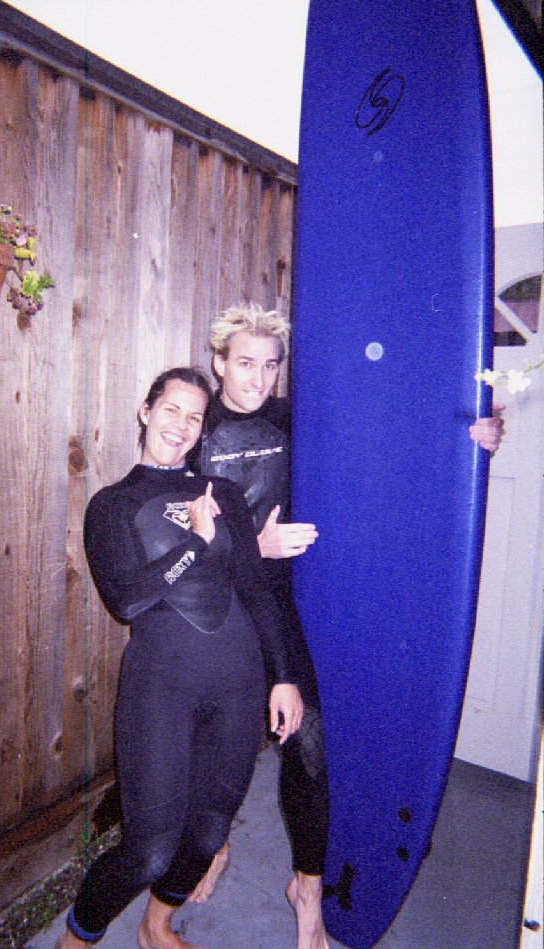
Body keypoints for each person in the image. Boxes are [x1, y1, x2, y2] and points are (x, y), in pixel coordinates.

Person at [187, 303, 506, 949]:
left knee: (306, 739)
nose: (258, 379)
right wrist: (254, 546)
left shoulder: (289, 419)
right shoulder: (197, 430)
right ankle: (214, 845)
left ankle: (307, 886)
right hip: (218, 600)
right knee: (218, 736)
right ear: (219, 363)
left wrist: (470, 432)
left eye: (270, 365)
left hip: (283, 601)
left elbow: (383, 430)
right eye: (244, 363)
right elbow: (175, 537)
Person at [56, 367, 303, 949]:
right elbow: (126, 599)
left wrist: (284, 677)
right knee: (149, 848)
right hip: (161, 687)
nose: (182, 425)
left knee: (210, 830)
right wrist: (195, 540)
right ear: (146, 412)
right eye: (171, 410)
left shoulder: (225, 495)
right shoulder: (112, 505)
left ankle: (157, 925)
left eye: (194, 417)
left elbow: (255, 589)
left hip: (240, 682)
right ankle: (76, 939)